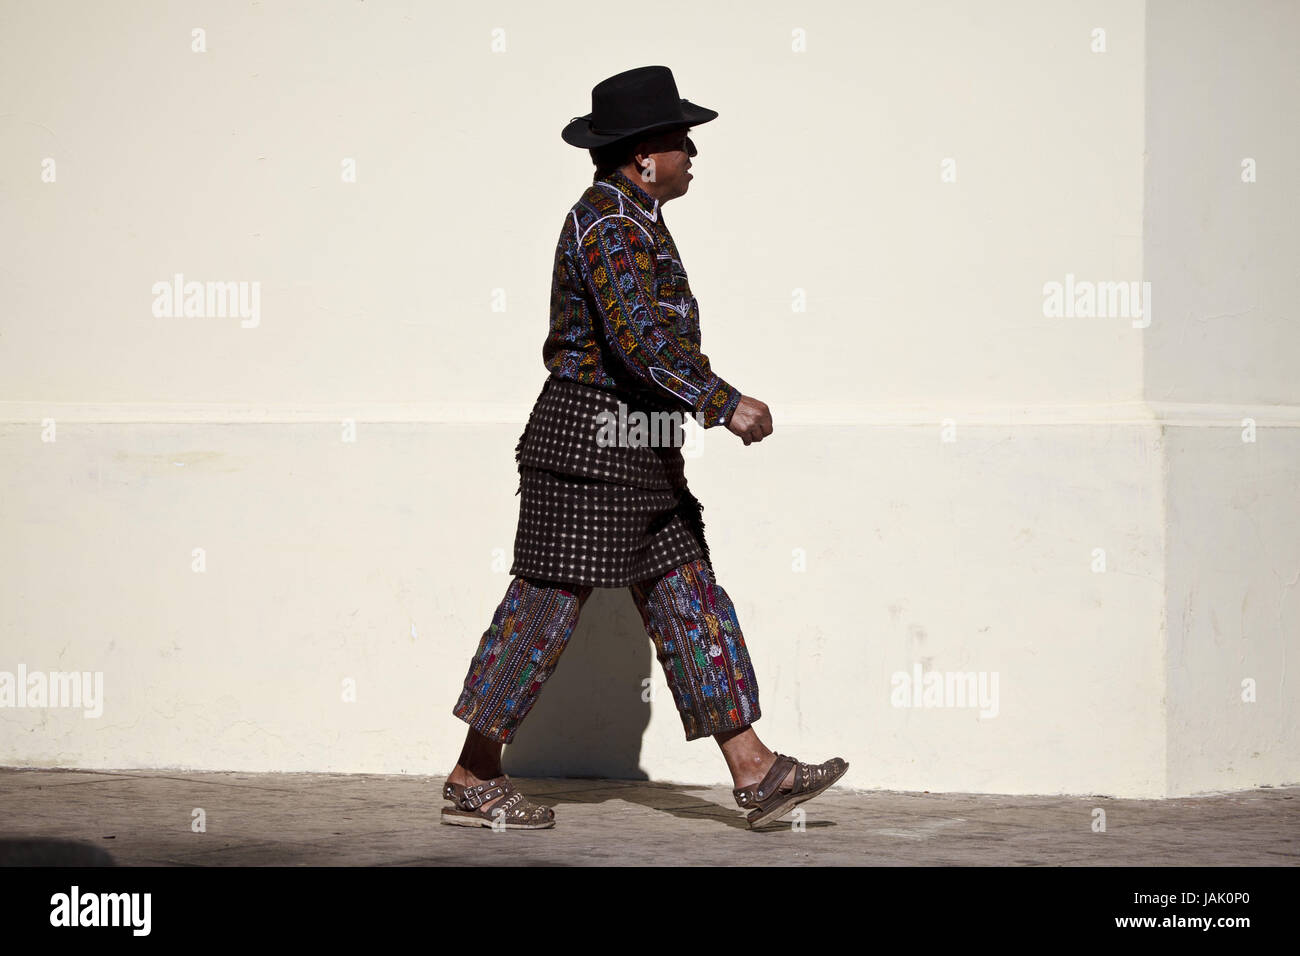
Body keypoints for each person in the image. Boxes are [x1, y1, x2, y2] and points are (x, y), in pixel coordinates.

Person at [443, 66, 847, 830]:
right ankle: (473, 774)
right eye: (678, 140)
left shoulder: (635, 218)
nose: (693, 151)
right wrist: (723, 404)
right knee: (545, 611)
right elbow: (637, 340)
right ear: (641, 157)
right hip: (587, 444)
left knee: (689, 596)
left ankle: (756, 772)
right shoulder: (609, 224)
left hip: (640, 446)